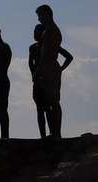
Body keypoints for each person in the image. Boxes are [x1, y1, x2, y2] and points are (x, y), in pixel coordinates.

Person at [29, 24, 73, 139]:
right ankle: (43, 135)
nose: (35, 34)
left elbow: (69, 57)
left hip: (50, 78)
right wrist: (34, 74)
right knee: (40, 108)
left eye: (37, 31)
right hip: (38, 79)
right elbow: (30, 63)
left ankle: (55, 132)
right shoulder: (33, 47)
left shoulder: (51, 46)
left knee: (51, 105)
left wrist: (60, 69)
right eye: (34, 31)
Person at [34, 5, 64, 139]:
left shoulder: (50, 31)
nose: (39, 19)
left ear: (46, 14)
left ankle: (56, 132)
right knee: (52, 102)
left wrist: (38, 71)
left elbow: (45, 55)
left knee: (53, 101)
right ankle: (55, 132)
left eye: (40, 16)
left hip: (49, 68)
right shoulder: (53, 30)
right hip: (52, 68)